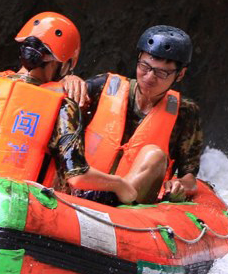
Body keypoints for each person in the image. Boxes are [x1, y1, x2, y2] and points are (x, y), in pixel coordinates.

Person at [0, 12, 141, 203]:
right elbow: (77, 176)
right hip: (11, 202)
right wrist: (119, 184)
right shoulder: (63, 104)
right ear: (65, 64)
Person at [64, 25, 204, 206]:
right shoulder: (103, 86)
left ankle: (110, 201)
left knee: (154, 155)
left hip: (131, 204)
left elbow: (190, 178)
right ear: (138, 59)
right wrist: (68, 79)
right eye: (145, 66)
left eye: (161, 72)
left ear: (180, 74)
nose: (149, 77)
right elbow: (61, 113)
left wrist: (180, 185)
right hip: (81, 188)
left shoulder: (186, 112)